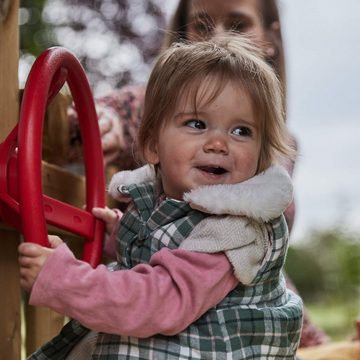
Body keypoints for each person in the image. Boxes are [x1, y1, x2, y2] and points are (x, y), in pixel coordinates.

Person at [19, 34, 303, 358]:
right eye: (197, 123)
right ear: (152, 144)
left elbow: (158, 300)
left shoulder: (233, 231)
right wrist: (121, 234)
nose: (219, 143)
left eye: (241, 131)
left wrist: (65, 279)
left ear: (262, 153)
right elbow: (168, 247)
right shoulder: (167, 204)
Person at [65, 0, 330, 348]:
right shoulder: (171, 101)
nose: (218, 37)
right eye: (202, 26)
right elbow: (130, 108)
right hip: (169, 316)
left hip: (246, 319)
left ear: (269, 37)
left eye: (238, 24)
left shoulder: (240, 216)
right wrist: (105, 119)